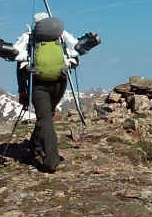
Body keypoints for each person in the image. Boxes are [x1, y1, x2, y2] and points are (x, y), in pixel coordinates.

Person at [11, 12, 100, 172]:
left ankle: (36, 146)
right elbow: (76, 52)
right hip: (60, 82)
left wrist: (22, 90)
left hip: (38, 84)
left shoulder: (31, 38)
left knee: (45, 118)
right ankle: (51, 159)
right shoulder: (60, 37)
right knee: (46, 118)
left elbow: (19, 63)